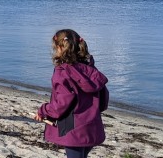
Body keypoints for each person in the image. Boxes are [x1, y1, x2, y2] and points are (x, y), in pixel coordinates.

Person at [34, 29, 109, 158]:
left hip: (72, 128)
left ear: (59, 48)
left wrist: (43, 111)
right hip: (91, 125)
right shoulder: (91, 70)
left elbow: (60, 105)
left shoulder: (62, 73)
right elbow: (103, 99)